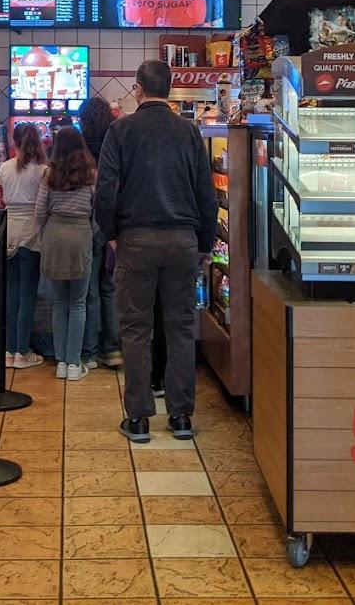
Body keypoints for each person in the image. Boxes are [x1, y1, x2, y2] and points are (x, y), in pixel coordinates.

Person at [96, 60, 217, 443]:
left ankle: (139, 419)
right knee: (180, 327)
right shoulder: (189, 132)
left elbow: (105, 191)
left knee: (136, 330)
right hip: (183, 241)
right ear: (169, 89)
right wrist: (205, 244)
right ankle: (181, 417)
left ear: (138, 89)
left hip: (136, 241)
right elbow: (207, 196)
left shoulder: (121, 130)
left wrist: (111, 235)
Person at [37, 126, 97, 382]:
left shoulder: (48, 175)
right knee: (78, 302)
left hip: (54, 236)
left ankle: (61, 361)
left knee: (59, 302)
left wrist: (49, 230)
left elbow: (39, 212)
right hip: (80, 236)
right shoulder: (91, 175)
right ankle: (74, 363)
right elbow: (97, 212)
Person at [78, 96, 123, 369]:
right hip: (113, 226)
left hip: (87, 224)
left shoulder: (80, 146)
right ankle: (113, 349)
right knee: (110, 288)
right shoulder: (115, 140)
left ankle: (90, 351)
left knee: (90, 291)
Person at [0, 123, 48, 369]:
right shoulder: (43, 170)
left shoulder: (4, 168)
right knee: (27, 296)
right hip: (32, 235)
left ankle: (9, 350)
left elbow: (0, 201)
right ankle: (22, 351)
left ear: (13, 141)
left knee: (12, 295)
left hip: (9, 234)